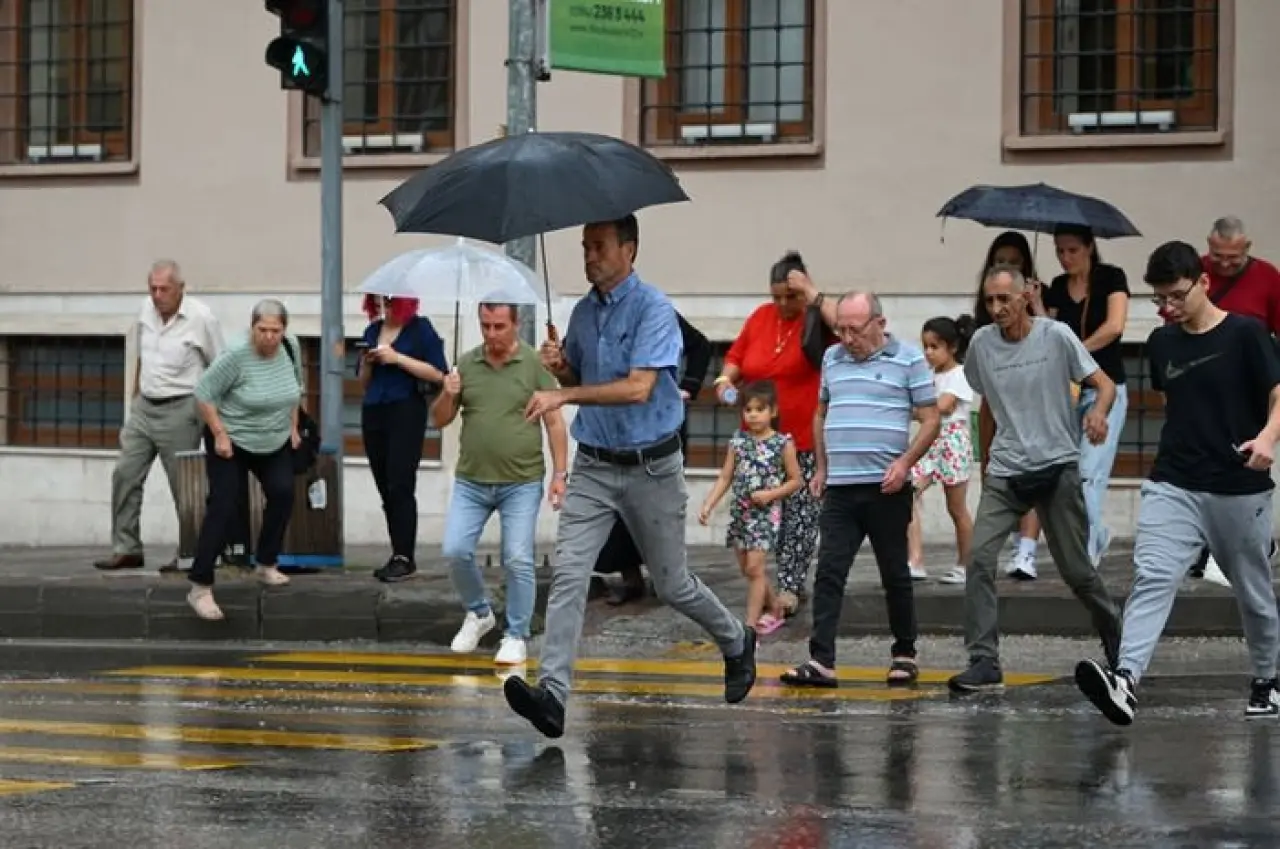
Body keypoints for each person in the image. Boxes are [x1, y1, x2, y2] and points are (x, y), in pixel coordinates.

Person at [504, 214, 757, 739]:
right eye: (583, 246)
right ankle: (552, 695)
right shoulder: (581, 313)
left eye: (598, 246)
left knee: (672, 584)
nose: (588, 256)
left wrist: (563, 393)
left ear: (629, 250)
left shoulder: (654, 309)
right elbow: (581, 377)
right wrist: (560, 367)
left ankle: (736, 640)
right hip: (596, 463)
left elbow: (639, 387)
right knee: (571, 576)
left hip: (652, 466)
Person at [1076, 240, 1280, 723]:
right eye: (1159, 299)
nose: (1167, 308)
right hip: (1174, 482)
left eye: (1176, 296)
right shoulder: (1162, 342)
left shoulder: (1248, 335)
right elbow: (1179, 406)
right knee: (1153, 575)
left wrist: (1268, 439)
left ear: (1203, 282)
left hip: (1238, 485)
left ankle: (1269, 680)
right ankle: (1125, 679)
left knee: (1252, 590)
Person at [949, 266, 1123, 692]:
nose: (996, 309)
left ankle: (1122, 644)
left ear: (1026, 295)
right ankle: (984, 661)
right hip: (1008, 471)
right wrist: (985, 459)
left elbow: (1104, 386)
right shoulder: (982, 345)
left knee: (1078, 573)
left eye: (1004, 299)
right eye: (989, 301)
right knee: (980, 560)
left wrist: (1098, 413)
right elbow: (986, 402)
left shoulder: (1056, 335)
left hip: (1057, 467)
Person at [779, 292, 940, 689]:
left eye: (855, 329)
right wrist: (821, 468)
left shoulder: (908, 360)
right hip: (841, 488)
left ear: (879, 324)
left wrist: (904, 464)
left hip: (886, 487)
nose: (847, 338)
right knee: (829, 572)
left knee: (894, 573)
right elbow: (822, 413)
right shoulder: (833, 359)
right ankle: (821, 661)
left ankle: (904, 653)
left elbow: (932, 419)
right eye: (841, 329)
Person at [431, 297, 569, 666]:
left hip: (521, 481)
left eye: (499, 326)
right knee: (455, 550)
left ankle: (516, 634)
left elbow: (554, 422)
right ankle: (479, 612)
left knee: (518, 558)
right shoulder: (466, 364)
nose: (491, 334)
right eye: (486, 326)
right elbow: (440, 420)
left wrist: (560, 474)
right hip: (472, 480)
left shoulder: (534, 364)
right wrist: (449, 391)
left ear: (516, 324)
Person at [714, 251, 835, 617]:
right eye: (777, 296)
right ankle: (764, 590)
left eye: (791, 296)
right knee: (756, 516)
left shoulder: (818, 319)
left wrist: (812, 294)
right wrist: (725, 382)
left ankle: (789, 588)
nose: (783, 304)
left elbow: (850, 331)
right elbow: (734, 361)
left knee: (798, 518)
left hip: (800, 438)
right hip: (756, 443)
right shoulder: (760, 318)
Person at [93, 260, 224, 572]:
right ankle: (126, 547)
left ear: (181, 288)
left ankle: (192, 552)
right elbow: (141, 354)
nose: (157, 294)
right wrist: (136, 395)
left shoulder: (201, 317)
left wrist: (214, 419)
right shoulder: (144, 310)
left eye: (164, 289)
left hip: (182, 406)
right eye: (152, 288)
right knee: (125, 473)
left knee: (184, 484)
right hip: (145, 405)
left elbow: (220, 367)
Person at [187, 299, 304, 621]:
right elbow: (204, 394)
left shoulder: (290, 348)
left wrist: (293, 427)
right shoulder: (235, 355)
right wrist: (220, 434)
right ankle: (200, 586)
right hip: (232, 438)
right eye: (262, 330)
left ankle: (266, 562)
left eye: (275, 331)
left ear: (284, 330)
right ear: (252, 327)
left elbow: (295, 390)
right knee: (225, 505)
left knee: (282, 493)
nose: (268, 337)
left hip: (273, 437)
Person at [591, 311, 712, 606]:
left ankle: (668, 577)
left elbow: (701, 345)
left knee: (660, 505)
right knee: (619, 506)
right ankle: (631, 578)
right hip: (617, 428)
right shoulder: (596, 315)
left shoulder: (655, 311)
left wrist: (689, 387)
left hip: (661, 427)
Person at [1188, 216, 1280, 586]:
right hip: (1204, 383)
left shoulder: (1268, 277)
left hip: (1252, 386)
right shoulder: (1197, 271)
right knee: (1204, 461)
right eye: (1218, 255)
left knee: (1248, 460)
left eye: (1233, 257)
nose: (1225, 264)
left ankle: (1249, 542)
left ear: (1248, 248)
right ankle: (1209, 544)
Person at [1043, 225, 1131, 568]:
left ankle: (1087, 549)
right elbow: (1047, 332)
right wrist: (1037, 301)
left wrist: (1077, 351)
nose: (1066, 258)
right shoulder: (1058, 287)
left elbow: (1115, 326)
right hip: (1069, 391)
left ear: (1090, 247)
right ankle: (1095, 535)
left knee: (1088, 471)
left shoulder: (1110, 277)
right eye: (1059, 251)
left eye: (1072, 250)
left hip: (1107, 389)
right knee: (1068, 473)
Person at [970, 232, 1047, 581]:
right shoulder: (985, 330)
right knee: (1002, 475)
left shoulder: (1040, 310)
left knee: (1033, 469)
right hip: (1000, 399)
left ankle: (1027, 549)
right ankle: (1016, 540)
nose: (1006, 267)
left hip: (1036, 402)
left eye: (1014, 262)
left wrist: (1035, 303)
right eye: (1000, 260)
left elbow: (1053, 335)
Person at [698, 381, 803, 633]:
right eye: (748, 410)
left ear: (773, 412)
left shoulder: (782, 443)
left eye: (760, 409)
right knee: (748, 569)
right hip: (741, 513)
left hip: (766, 514)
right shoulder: (738, 442)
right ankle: (775, 606)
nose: (753, 415)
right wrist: (708, 504)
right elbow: (726, 476)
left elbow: (796, 480)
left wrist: (770, 494)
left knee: (756, 568)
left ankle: (749, 628)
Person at [357, 294, 448, 583]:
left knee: (400, 482)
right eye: (379, 301)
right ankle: (396, 552)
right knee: (384, 484)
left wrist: (397, 358)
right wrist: (370, 362)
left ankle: (404, 556)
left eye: (390, 300)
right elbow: (363, 382)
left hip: (405, 409)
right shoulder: (372, 331)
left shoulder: (421, 329)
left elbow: (438, 373)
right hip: (374, 410)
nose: (384, 306)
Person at [906, 315, 977, 585]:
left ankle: (965, 563)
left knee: (956, 508)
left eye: (935, 346)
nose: (928, 353)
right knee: (908, 495)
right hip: (929, 441)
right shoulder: (928, 375)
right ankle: (915, 560)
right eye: (925, 346)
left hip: (951, 442)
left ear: (953, 348)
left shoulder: (960, 374)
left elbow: (942, 406)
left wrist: (915, 410)